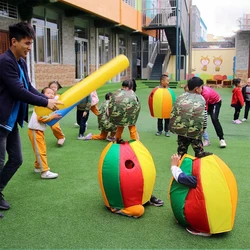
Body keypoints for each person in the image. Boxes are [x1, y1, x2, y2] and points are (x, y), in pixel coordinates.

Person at [0, 22, 61, 217]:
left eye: (31, 43)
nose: (29, 47)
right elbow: (18, 92)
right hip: (0, 121)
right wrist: (45, 102)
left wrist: (48, 99)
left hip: (10, 122)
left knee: (16, 159)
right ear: (14, 41)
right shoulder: (5, 62)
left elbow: (28, 88)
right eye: (26, 43)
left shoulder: (21, 62)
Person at [170, 153, 212, 237]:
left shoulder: (200, 178)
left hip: (206, 214)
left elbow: (181, 178)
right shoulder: (212, 175)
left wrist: (174, 166)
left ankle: (201, 228)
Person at [169, 77, 212, 158]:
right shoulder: (201, 99)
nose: (202, 89)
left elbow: (173, 112)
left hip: (181, 129)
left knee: (182, 149)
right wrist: (204, 127)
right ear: (196, 89)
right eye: (201, 87)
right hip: (195, 130)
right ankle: (199, 164)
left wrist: (173, 127)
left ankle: (179, 164)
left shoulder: (180, 97)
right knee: (198, 149)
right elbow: (203, 115)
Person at [28, 87, 61, 179]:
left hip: (38, 131)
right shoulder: (40, 104)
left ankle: (38, 166)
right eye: (48, 93)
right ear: (42, 94)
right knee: (41, 151)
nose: (51, 95)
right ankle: (45, 171)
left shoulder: (45, 105)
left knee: (41, 149)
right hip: (35, 130)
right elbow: (40, 118)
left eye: (52, 93)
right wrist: (52, 117)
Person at [109, 80, 140, 144]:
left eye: (126, 87)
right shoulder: (122, 93)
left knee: (130, 127)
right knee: (122, 127)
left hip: (129, 115)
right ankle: (118, 139)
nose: (124, 88)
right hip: (124, 115)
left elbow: (136, 104)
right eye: (123, 87)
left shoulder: (130, 94)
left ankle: (134, 141)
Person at [48, 81, 66, 145]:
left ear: (57, 89)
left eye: (55, 87)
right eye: (51, 87)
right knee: (52, 127)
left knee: (54, 127)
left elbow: (62, 104)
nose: (53, 88)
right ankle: (59, 137)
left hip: (56, 114)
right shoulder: (47, 96)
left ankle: (61, 137)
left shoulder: (59, 97)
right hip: (48, 114)